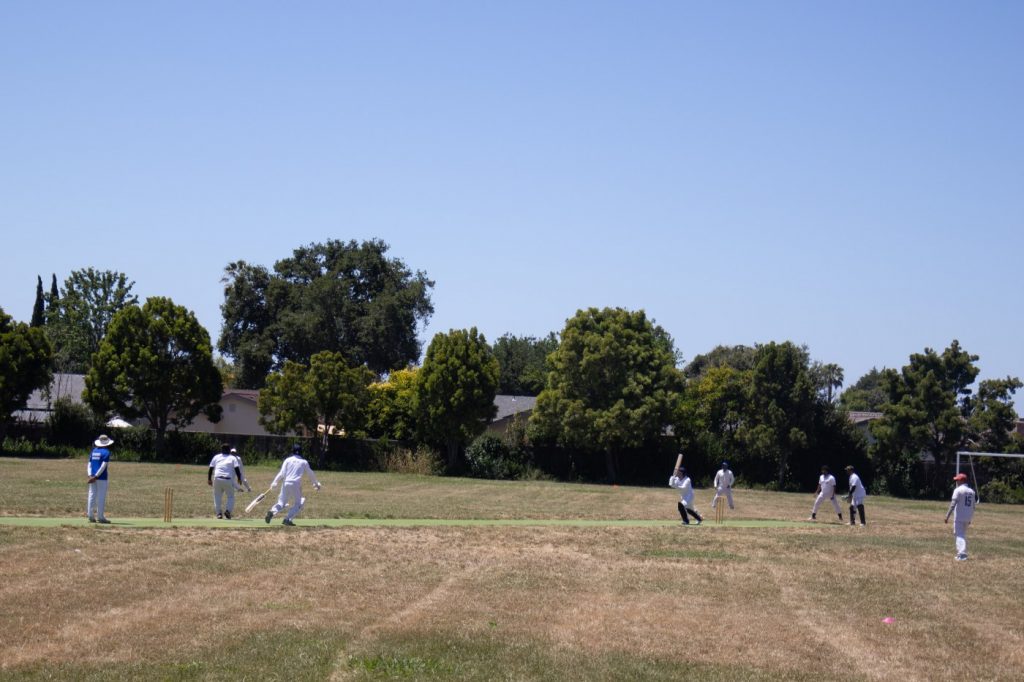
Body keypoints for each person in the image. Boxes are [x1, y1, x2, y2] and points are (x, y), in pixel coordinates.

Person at [265, 444, 322, 526]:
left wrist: (274, 482)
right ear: (301, 452)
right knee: (298, 503)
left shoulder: (287, 460)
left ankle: (272, 512)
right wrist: (316, 484)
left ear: (293, 451)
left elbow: (282, 473)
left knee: (281, 502)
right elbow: (310, 474)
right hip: (295, 484)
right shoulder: (304, 462)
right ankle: (287, 519)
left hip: (286, 483)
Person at [944, 472, 976, 561]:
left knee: (959, 535)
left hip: (959, 517)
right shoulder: (972, 491)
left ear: (961, 481)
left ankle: (962, 554)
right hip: (967, 517)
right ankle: (960, 554)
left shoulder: (958, 490)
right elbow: (973, 506)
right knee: (962, 534)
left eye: (957, 480)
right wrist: (970, 518)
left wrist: (947, 516)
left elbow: (953, 504)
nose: (956, 482)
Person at [208, 443, 243, 519]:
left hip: (217, 478)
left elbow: (211, 468)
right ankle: (228, 511)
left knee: (217, 496)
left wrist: (209, 479)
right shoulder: (232, 458)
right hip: (228, 479)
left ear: (221, 450)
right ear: (229, 451)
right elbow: (237, 468)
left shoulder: (216, 457)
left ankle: (219, 514)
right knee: (231, 497)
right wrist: (239, 478)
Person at [86, 434, 114, 523]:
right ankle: (100, 517)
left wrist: (90, 475)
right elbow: (103, 466)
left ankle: (90, 515)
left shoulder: (94, 451)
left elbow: (89, 464)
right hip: (101, 477)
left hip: (92, 477)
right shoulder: (106, 452)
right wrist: (96, 476)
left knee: (92, 495)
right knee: (101, 496)